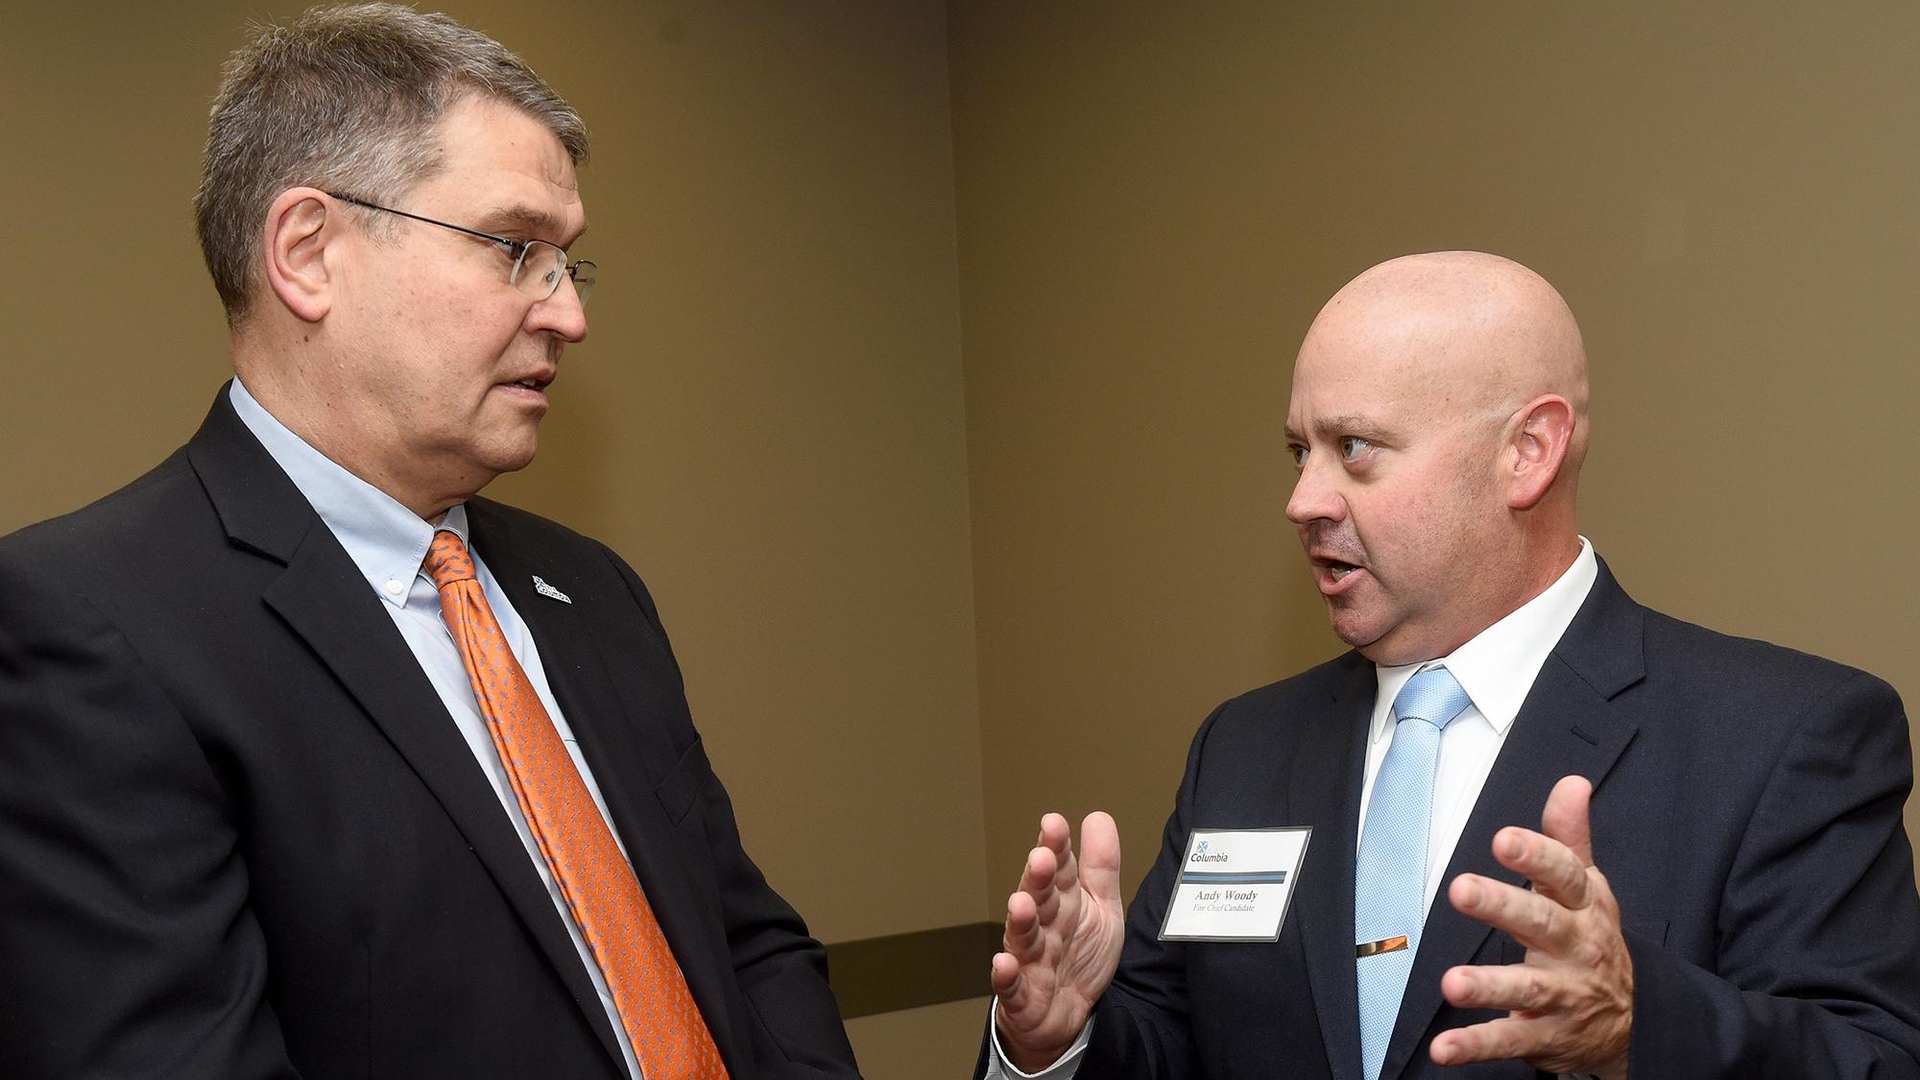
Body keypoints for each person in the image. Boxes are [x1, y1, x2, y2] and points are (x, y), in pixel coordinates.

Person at [0, 5, 860, 1079]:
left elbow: (745, 946)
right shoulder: (89, 626)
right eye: (516, 249)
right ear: (309, 253)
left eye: (566, 263)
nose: (568, 315)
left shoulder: (591, 593)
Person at [980, 251, 1920, 1079]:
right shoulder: (1244, 748)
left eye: (1356, 448)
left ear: (1528, 452)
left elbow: (1874, 1060)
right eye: (1298, 451)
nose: (1304, 498)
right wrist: (1060, 1041)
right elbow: (1176, 1044)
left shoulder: (1783, 737)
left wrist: (1639, 1029)